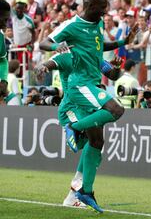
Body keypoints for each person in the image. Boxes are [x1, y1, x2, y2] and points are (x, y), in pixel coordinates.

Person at [39, 0, 137, 213]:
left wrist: (123, 44)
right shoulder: (72, 26)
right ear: (90, 7)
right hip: (78, 87)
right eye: (103, 8)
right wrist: (56, 47)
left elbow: (99, 50)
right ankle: (73, 127)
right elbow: (45, 44)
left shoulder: (97, 25)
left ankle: (84, 192)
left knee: (97, 143)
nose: (106, 12)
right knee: (116, 110)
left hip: (92, 86)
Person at [35, 52, 122, 208]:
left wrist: (116, 67)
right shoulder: (66, 56)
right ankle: (78, 194)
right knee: (93, 147)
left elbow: (112, 75)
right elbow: (51, 63)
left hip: (89, 106)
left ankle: (75, 195)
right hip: (72, 107)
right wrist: (42, 68)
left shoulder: (93, 55)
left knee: (96, 145)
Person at [0, 0, 11, 104]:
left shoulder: (0, 35)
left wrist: (3, 80)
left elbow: (2, 60)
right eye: (4, 19)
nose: (6, 23)